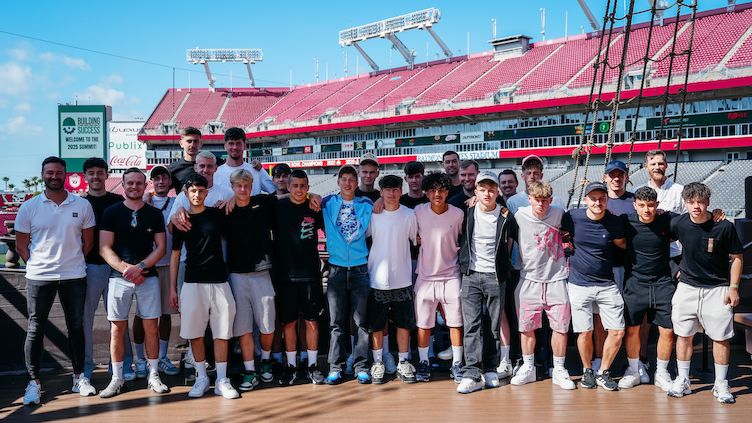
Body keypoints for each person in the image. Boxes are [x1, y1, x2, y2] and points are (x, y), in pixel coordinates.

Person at [16, 156, 97, 405]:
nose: (54, 176)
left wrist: (70, 262)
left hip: (74, 276)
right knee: (35, 328)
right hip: (40, 277)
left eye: (58, 172)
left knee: (76, 327)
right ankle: (33, 382)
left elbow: (88, 242)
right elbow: (21, 246)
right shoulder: (29, 207)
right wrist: (40, 265)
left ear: (65, 175)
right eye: (49, 172)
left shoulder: (82, 205)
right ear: (43, 175)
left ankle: (79, 377)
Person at [667, 183, 743, 404]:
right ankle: (682, 380)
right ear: (685, 203)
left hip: (717, 289)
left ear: (708, 202)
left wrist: (733, 287)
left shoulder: (724, 226)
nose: (696, 206)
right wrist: (674, 269)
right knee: (683, 335)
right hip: (687, 288)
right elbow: (659, 243)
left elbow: (737, 258)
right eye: (691, 202)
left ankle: (721, 384)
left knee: (720, 338)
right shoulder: (678, 223)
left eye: (700, 202)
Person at [98, 168, 169, 398]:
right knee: (117, 329)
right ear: (123, 184)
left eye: (139, 183)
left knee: (151, 326)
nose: (134, 187)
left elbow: (161, 247)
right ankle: (117, 378)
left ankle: (153, 374)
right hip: (118, 278)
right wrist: (126, 270)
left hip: (148, 277)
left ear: (145, 185)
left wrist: (141, 267)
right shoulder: (111, 212)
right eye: (130, 183)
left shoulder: (154, 214)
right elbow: (104, 248)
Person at [169, 174, 239, 399]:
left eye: (201, 191)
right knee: (195, 334)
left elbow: (241, 201)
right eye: (193, 191)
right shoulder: (180, 220)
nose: (197, 195)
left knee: (222, 332)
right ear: (186, 193)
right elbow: (175, 255)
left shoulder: (217, 215)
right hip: (192, 281)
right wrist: (173, 288)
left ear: (206, 192)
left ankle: (221, 379)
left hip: (219, 281)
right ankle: (201, 377)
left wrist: (232, 199)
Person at [509, 181, 576, 390]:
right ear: (529, 199)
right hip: (529, 279)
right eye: (537, 200)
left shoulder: (559, 213)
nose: (541, 204)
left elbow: (572, 232)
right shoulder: (519, 215)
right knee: (526, 328)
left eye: (545, 200)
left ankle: (559, 369)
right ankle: (528, 367)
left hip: (557, 278)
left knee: (560, 327)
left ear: (551, 200)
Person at [561, 182, 626, 391]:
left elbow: (623, 245)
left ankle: (603, 371)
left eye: (602, 198)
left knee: (617, 331)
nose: (598, 202)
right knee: (585, 332)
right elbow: (562, 234)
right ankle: (587, 370)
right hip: (579, 284)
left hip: (607, 283)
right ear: (586, 200)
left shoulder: (614, 222)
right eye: (593, 198)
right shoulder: (572, 216)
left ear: (607, 200)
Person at [456, 171, 515, 394]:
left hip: (495, 276)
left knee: (493, 325)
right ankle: (471, 372)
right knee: (471, 325)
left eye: (491, 189)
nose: (487, 193)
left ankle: (490, 368)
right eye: (482, 189)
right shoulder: (467, 210)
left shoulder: (506, 215)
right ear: (476, 191)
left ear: (497, 191)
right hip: (471, 274)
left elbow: (511, 242)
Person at [80, 158, 135, 381]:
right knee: (85, 321)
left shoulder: (118, 201)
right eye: (91, 172)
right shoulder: (79, 203)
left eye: (99, 172)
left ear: (106, 174)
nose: (95, 176)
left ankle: (124, 365)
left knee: (119, 319)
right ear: (85, 176)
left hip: (115, 267)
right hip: (89, 267)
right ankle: (85, 367)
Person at [618, 186, 675, 391]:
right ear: (635, 205)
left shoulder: (667, 220)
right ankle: (633, 370)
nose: (646, 210)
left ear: (657, 205)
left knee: (668, 330)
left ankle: (662, 373)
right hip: (635, 282)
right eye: (641, 205)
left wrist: (715, 214)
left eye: (650, 205)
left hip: (662, 283)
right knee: (632, 329)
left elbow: (694, 220)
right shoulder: (625, 221)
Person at [223, 169, 277, 387]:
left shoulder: (264, 203)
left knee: (267, 325)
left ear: (252, 186)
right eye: (239, 186)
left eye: (246, 185)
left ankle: (265, 361)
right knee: (243, 327)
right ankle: (250, 370)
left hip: (262, 273)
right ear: (232, 187)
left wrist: (314, 195)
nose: (243, 189)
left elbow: (290, 195)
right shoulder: (225, 210)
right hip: (237, 275)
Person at [321, 165, 374, 384]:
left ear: (356, 182)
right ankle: (336, 366)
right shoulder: (327, 203)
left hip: (360, 268)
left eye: (352, 179)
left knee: (361, 321)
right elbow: (301, 195)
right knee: (336, 322)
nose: (348, 183)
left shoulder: (367, 204)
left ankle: (361, 365)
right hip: (336, 269)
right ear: (338, 182)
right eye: (344, 179)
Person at [273, 169, 326, 385]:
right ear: (288, 187)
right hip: (285, 276)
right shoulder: (277, 207)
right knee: (289, 323)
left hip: (311, 275)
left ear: (308, 187)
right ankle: (292, 366)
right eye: (295, 186)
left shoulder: (314, 208)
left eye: (303, 186)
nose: (298, 190)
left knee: (312, 321)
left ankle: (312, 365)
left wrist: (315, 197)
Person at [366, 175, 419, 384]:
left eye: (395, 189)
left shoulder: (409, 214)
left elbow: (415, 239)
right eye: (387, 189)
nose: (391, 193)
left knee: (403, 323)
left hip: (403, 278)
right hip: (376, 279)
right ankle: (378, 361)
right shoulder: (373, 214)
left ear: (401, 191)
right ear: (381, 192)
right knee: (377, 325)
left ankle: (403, 361)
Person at [413, 172, 464, 383]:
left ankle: (457, 363)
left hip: (451, 275)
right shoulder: (417, 212)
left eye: (441, 190)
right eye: (433, 190)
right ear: (426, 193)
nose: (437, 194)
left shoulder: (458, 214)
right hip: (425, 277)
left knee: (456, 322)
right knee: (423, 324)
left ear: (447, 192)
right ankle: (424, 362)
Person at [132, 166, 180, 378]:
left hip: (169, 263)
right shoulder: (142, 202)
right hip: (146, 264)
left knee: (166, 314)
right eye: (156, 178)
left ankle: (162, 356)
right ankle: (140, 359)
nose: (161, 181)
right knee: (141, 314)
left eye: (164, 178)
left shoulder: (177, 201)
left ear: (170, 182)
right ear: (151, 182)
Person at [639, 149, 686, 278]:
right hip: (648, 255)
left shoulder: (679, 190)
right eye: (653, 164)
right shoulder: (638, 191)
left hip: (674, 255)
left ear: (666, 165)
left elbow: (689, 222)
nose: (657, 167)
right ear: (646, 167)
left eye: (660, 164)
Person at [213, 127, 275, 195]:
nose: (235, 147)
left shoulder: (256, 171)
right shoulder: (216, 173)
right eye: (231, 143)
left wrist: (261, 170)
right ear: (225, 146)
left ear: (244, 146)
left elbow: (275, 190)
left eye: (238, 143)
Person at [168, 127, 203, 192]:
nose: (192, 145)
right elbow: (163, 189)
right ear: (181, 143)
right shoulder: (173, 168)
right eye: (189, 141)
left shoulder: (211, 164)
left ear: (200, 144)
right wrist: (150, 194)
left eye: (195, 141)